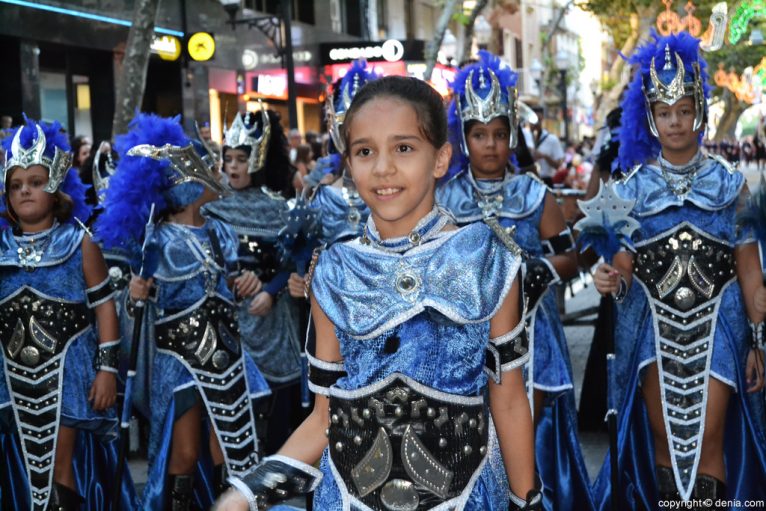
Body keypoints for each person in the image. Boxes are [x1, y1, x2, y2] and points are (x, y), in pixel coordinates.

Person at [214, 75, 542, 511]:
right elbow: (324, 418)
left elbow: (510, 399)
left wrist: (527, 501)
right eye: (365, 151)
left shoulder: (487, 258)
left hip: (466, 499)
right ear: (348, 163)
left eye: (403, 148)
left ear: (441, 158)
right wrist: (248, 493)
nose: (383, 168)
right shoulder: (332, 270)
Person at [591, 32, 766, 508]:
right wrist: (611, 278)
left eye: (684, 110)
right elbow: (623, 265)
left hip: (721, 329)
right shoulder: (632, 188)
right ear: (651, 116)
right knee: (664, 437)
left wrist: (760, 342)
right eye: (665, 112)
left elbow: (751, 274)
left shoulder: (732, 187)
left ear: (700, 112)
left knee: (708, 437)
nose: (675, 122)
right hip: (654, 329)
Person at [436, 51, 594, 511]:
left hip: (535, 335)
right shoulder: (444, 197)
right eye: (479, 134)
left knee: (532, 435)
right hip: (466, 339)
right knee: (474, 439)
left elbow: (571, 256)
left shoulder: (533, 193)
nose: (490, 144)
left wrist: (532, 273)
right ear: (464, 138)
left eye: (499, 134)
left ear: (512, 136)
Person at [94, 113, 271, 510]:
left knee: (231, 449)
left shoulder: (219, 232)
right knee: (185, 453)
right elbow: (131, 301)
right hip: (181, 365)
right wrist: (136, 295)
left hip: (229, 358)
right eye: (209, 166)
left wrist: (245, 285)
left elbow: (228, 287)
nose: (218, 171)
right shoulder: (155, 242)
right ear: (187, 184)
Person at [0, 118, 138, 510]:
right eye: (16, 184)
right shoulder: (1, 248)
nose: (25, 190)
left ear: (56, 187)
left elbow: (105, 308)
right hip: (12, 379)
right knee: (23, 469)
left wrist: (107, 369)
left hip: (69, 376)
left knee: (59, 470)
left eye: (36, 181)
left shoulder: (79, 242)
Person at [202, 105, 304, 456]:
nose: (232, 166)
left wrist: (271, 291)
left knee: (275, 422)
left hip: (273, 322)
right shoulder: (211, 207)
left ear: (257, 159)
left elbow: (295, 261)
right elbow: (203, 259)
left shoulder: (282, 208)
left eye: (240, 159)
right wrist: (229, 280)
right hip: (228, 323)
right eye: (227, 158)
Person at [526, 109, 563, 186]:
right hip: (527, 180)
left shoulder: (552, 139)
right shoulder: (525, 137)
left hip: (546, 180)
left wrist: (544, 156)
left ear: (542, 120)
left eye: (538, 120)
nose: (535, 123)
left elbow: (558, 165)